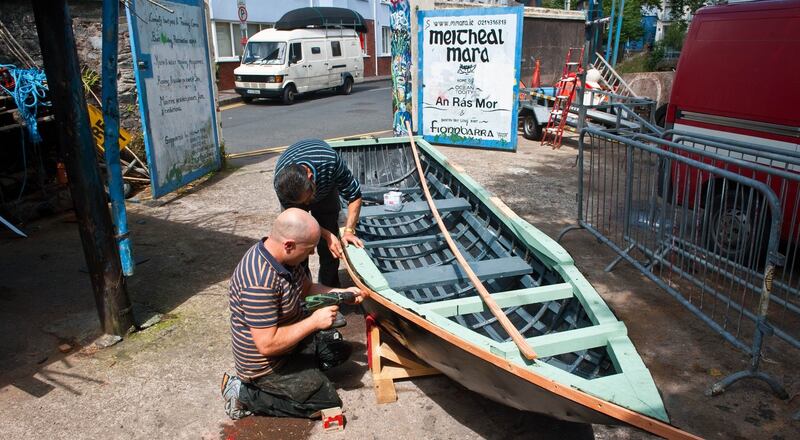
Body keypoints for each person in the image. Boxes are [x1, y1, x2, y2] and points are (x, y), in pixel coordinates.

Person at [220, 208, 365, 420]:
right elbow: (267, 345)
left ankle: (304, 375)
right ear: (289, 245)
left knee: (338, 351)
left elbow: (306, 289)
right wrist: (315, 322)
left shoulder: (286, 259)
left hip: (288, 344)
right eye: (309, 249)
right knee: (327, 404)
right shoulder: (258, 281)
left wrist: (343, 294)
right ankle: (244, 393)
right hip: (266, 365)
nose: (313, 254)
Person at [273, 139, 364, 287]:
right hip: (298, 198)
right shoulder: (281, 183)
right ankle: (302, 289)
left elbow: (354, 195)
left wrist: (348, 231)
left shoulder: (330, 162)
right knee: (297, 246)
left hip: (325, 190)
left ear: (310, 177)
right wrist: (327, 235)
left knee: (330, 248)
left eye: (308, 198)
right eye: (304, 202)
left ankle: (330, 288)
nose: (308, 205)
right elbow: (298, 219)